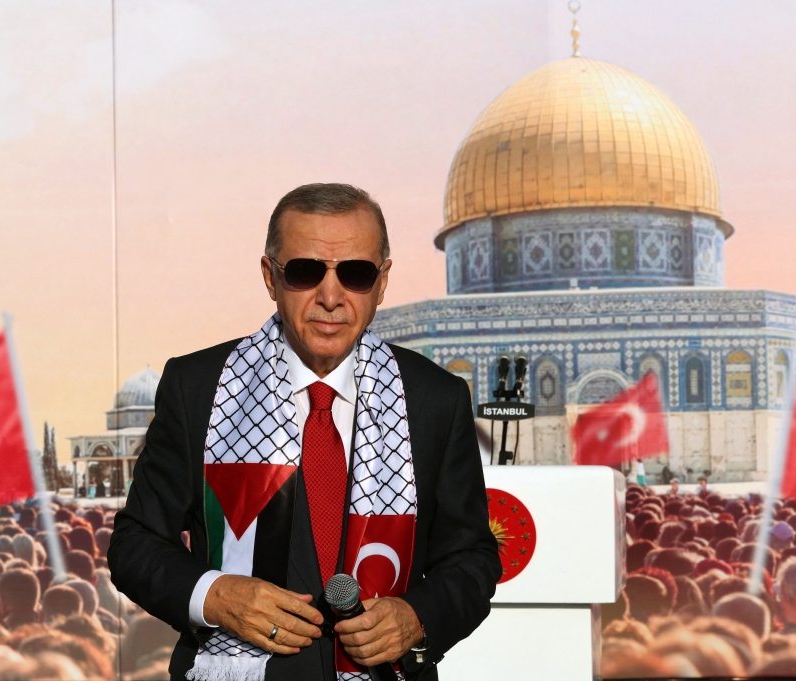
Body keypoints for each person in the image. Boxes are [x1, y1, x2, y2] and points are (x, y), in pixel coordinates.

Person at [109, 183, 502, 681]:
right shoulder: (200, 389)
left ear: (382, 282)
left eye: (355, 274)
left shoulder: (435, 400)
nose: (331, 297)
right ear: (270, 276)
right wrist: (217, 596)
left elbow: (471, 558)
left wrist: (417, 617)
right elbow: (135, 544)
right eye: (305, 271)